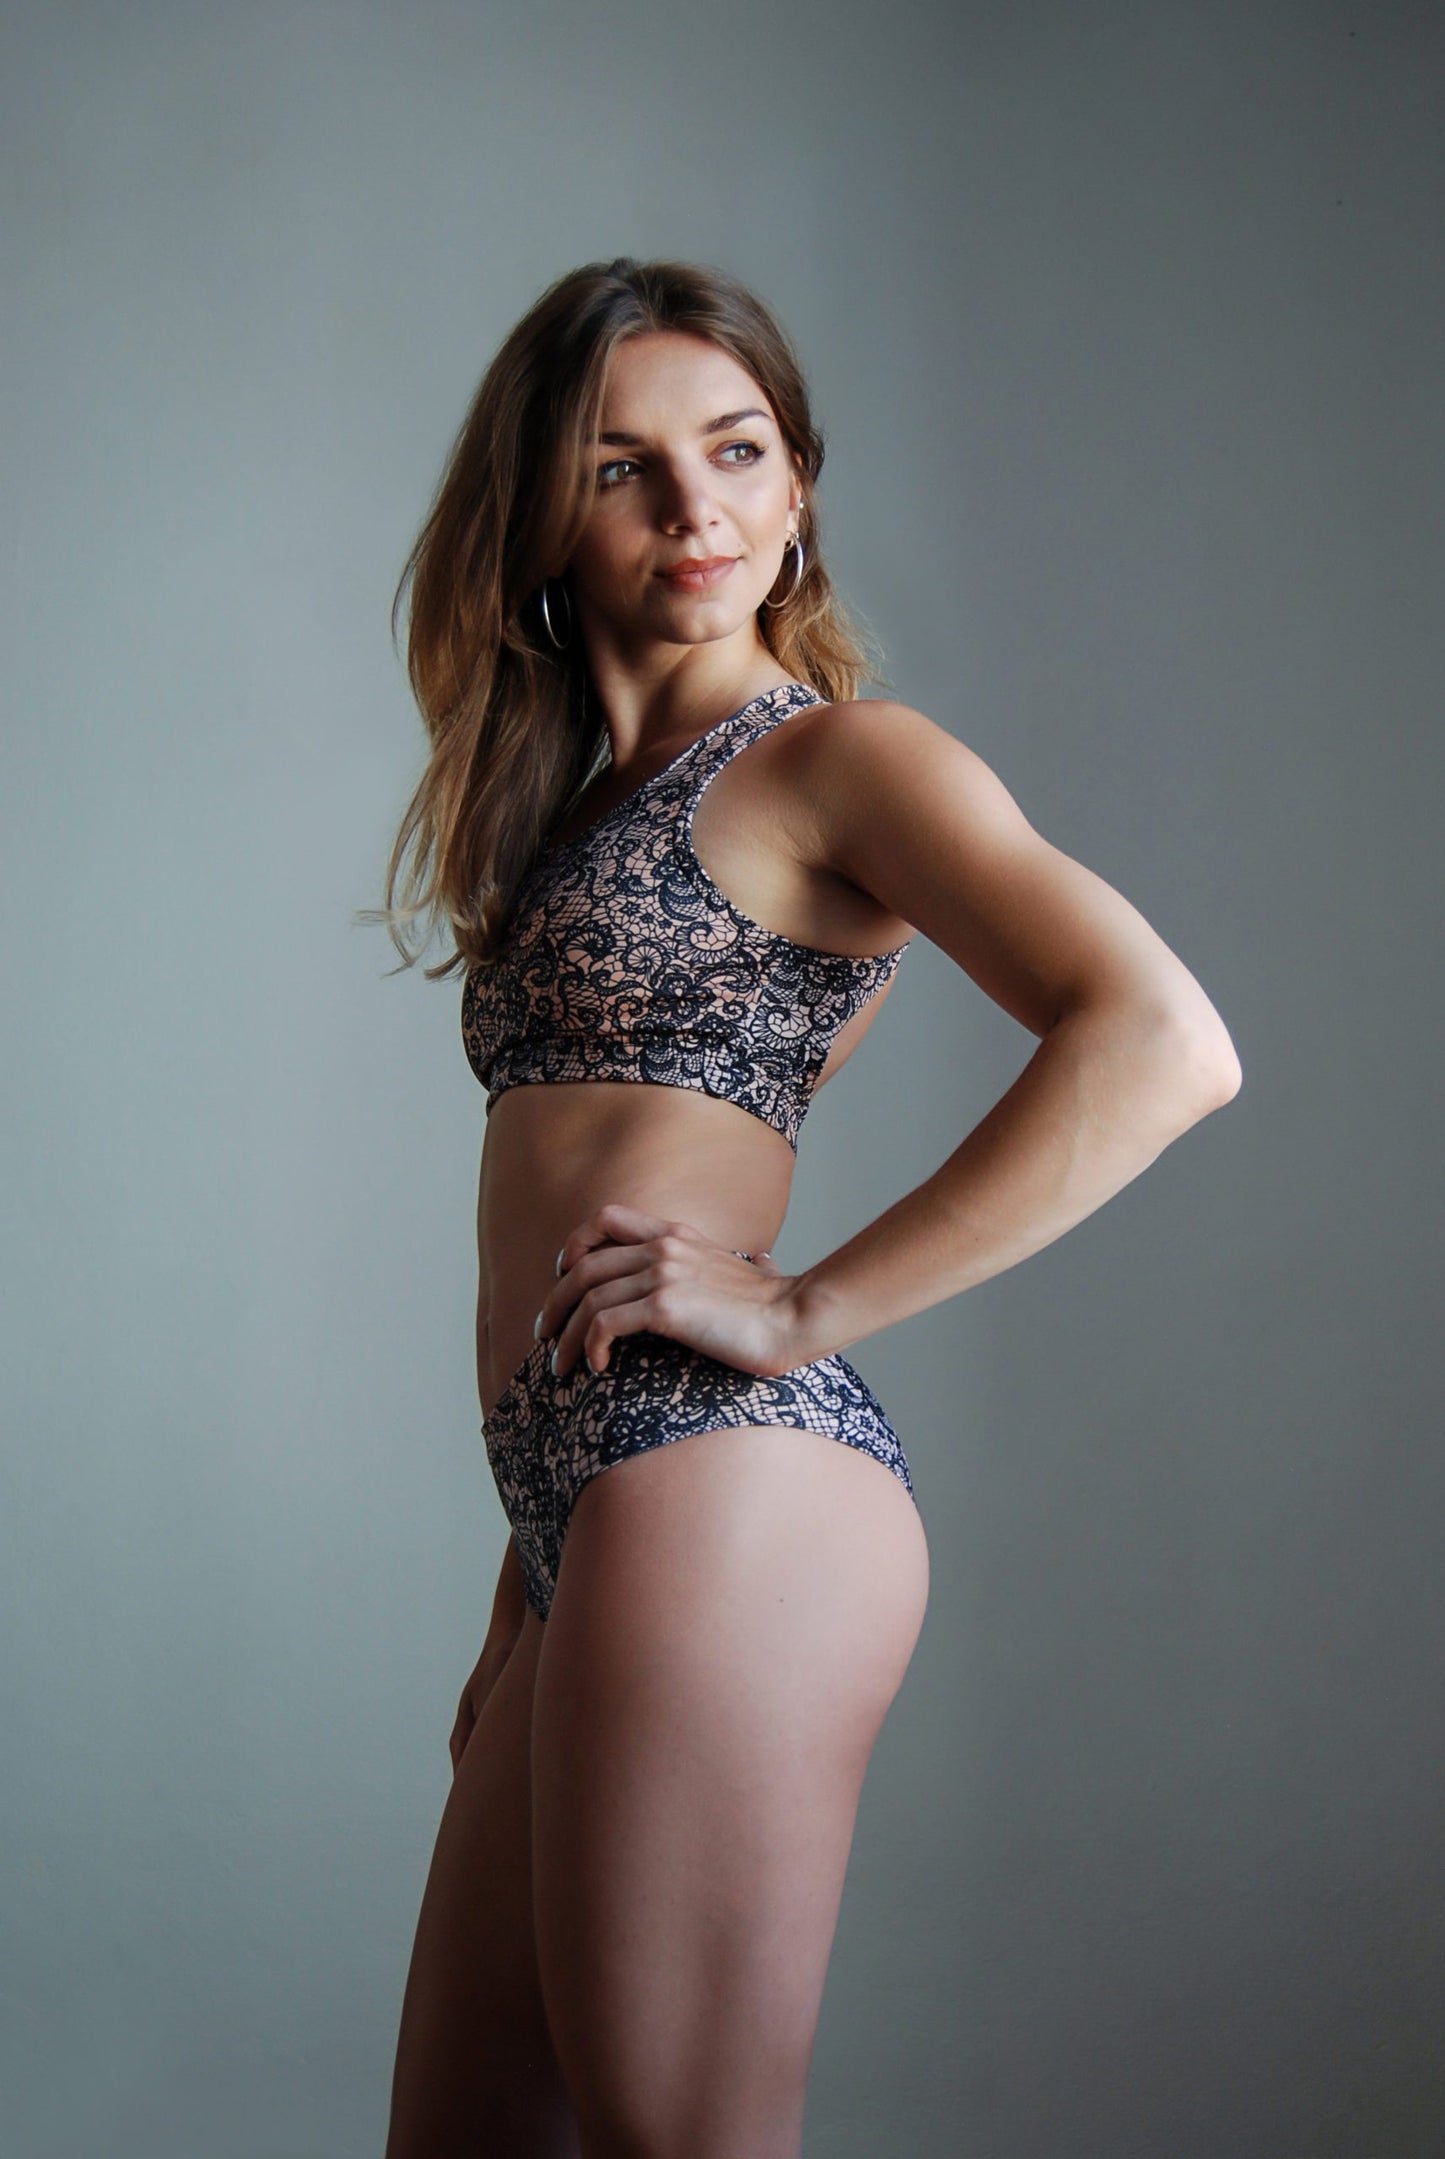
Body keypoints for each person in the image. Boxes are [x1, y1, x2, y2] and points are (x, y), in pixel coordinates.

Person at [368, 256, 1242, 2159]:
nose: (694, 508)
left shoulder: (838, 761)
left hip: (722, 1477)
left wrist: (800, 1305)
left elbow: (1161, 1041)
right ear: (539, 509)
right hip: (585, 1516)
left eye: (738, 449)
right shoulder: (584, 810)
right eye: (621, 466)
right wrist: (522, 1589)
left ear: (798, 486)